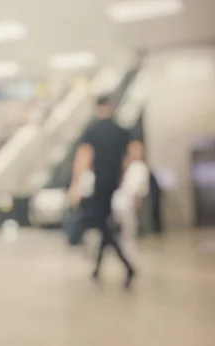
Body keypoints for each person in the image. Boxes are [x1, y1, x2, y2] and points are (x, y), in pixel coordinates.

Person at [69, 95, 136, 289]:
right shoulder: (121, 130)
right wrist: (122, 175)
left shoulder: (93, 129)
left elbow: (84, 156)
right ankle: (98, 268)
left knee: (102, 224)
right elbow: (133, 153)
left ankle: (127, 266)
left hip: (99, 184)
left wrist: (76, 184)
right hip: (113, 183)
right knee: (104, 223)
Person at [112, 140, 149, 263]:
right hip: (120, 202)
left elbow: (138, 188)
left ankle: (130, 254)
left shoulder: (140, 167)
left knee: (129, 231)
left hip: (128, 203)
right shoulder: (129, 166)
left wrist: (137, 201)